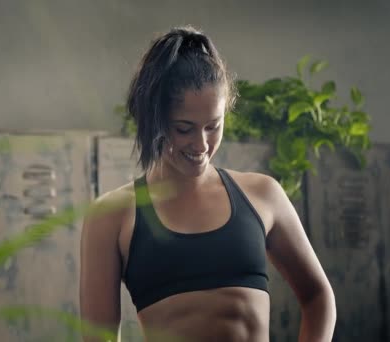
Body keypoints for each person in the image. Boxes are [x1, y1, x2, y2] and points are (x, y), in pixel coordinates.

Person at [79, 25, 336, 342]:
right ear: (154, 119)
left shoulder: (263, 195)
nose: (201, 144)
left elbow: (318, 297)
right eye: (184, 128)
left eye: (213, 126)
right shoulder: (112, 216)